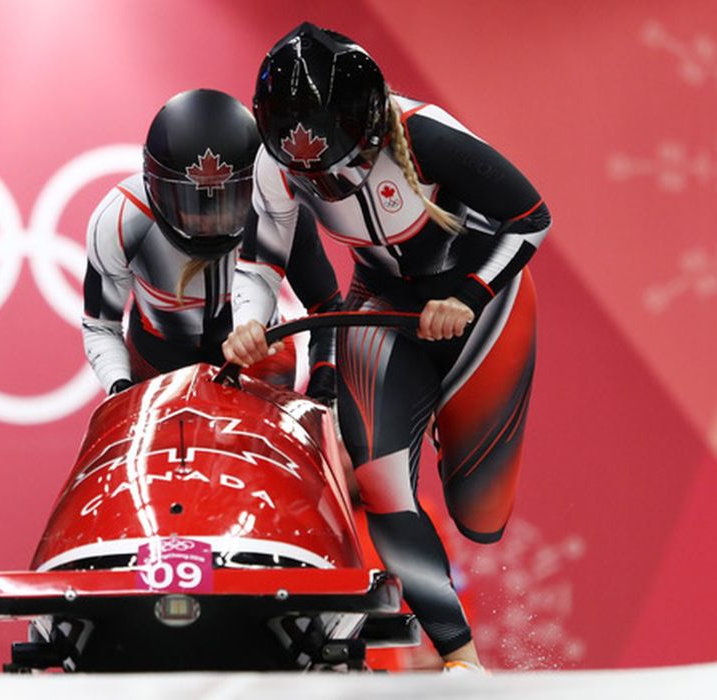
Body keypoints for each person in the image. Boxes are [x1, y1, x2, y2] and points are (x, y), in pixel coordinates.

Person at [222, 23, 551, 673]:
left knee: (479, 513)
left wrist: (470, 294)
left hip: (483, 306)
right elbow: (260, 264)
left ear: (373, 131)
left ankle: (456, 433)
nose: (327, 184)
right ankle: (463, 662)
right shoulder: (275, 165)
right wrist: (248, 322)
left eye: (340, 167)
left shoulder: (427, 136)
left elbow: (531, 217)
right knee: (380, 480)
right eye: (310, 175)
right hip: (381, 301)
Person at [82, 88, 341, 400]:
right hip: (159, 362)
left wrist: (324, 388)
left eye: (227, 203)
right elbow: (101, 325)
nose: (208, 224)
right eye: (190, 204)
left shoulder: (279, 206)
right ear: (153, 188)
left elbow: (326, 308)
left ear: (256, 185)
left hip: (256, 360)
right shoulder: (122, 219)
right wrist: (120, 387)